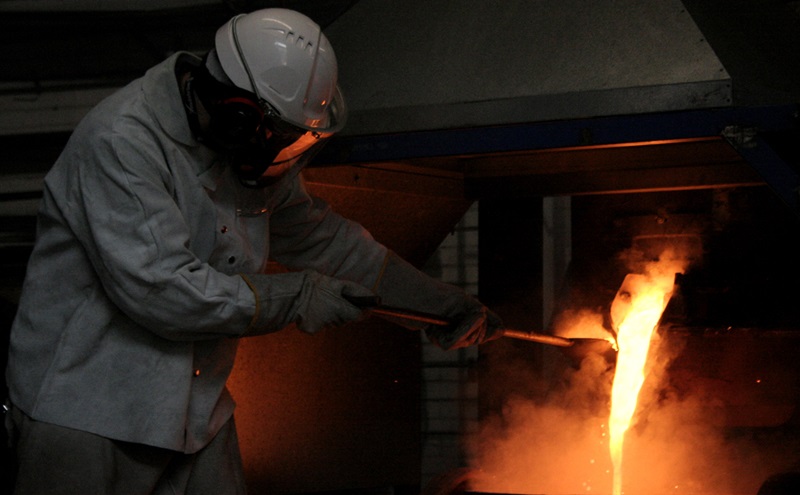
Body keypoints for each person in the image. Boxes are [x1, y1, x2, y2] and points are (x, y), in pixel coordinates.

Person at [3, 8, 502, 494]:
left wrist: (436, 306)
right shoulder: (122, 143)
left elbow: (327, 242)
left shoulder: (245, 154)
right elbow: (163, 291)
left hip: (195, 413)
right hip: (89, 413)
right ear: (238, 115)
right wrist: (296, 296)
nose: (280, 154)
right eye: (280, 137)